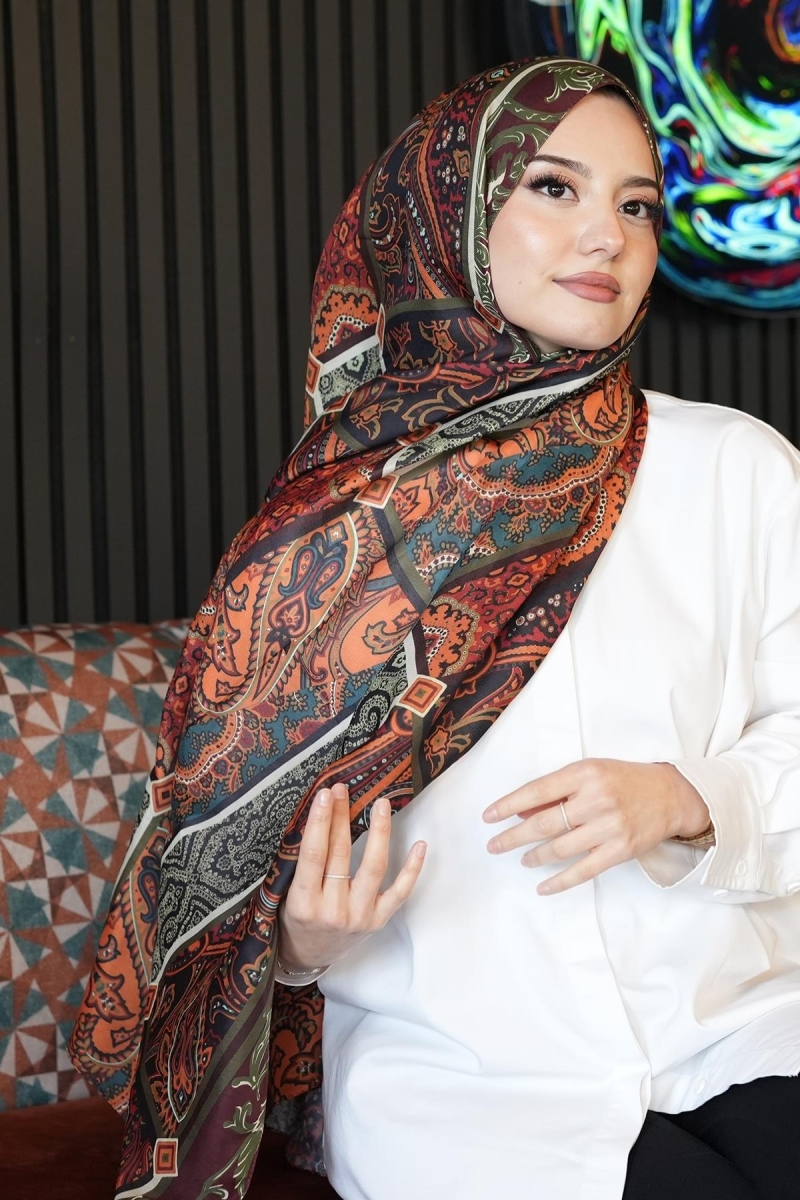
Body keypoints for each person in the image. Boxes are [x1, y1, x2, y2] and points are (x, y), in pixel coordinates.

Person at [68, 58, 800, 1200]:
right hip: (470, 1085)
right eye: (552, 187)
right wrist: (304, 943)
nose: (605, 236)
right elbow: (223, 907)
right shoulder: (320, 538)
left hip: (740, 1027)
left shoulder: (734, 468)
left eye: (635, 205)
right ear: (445, 214)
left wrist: (684, 798)